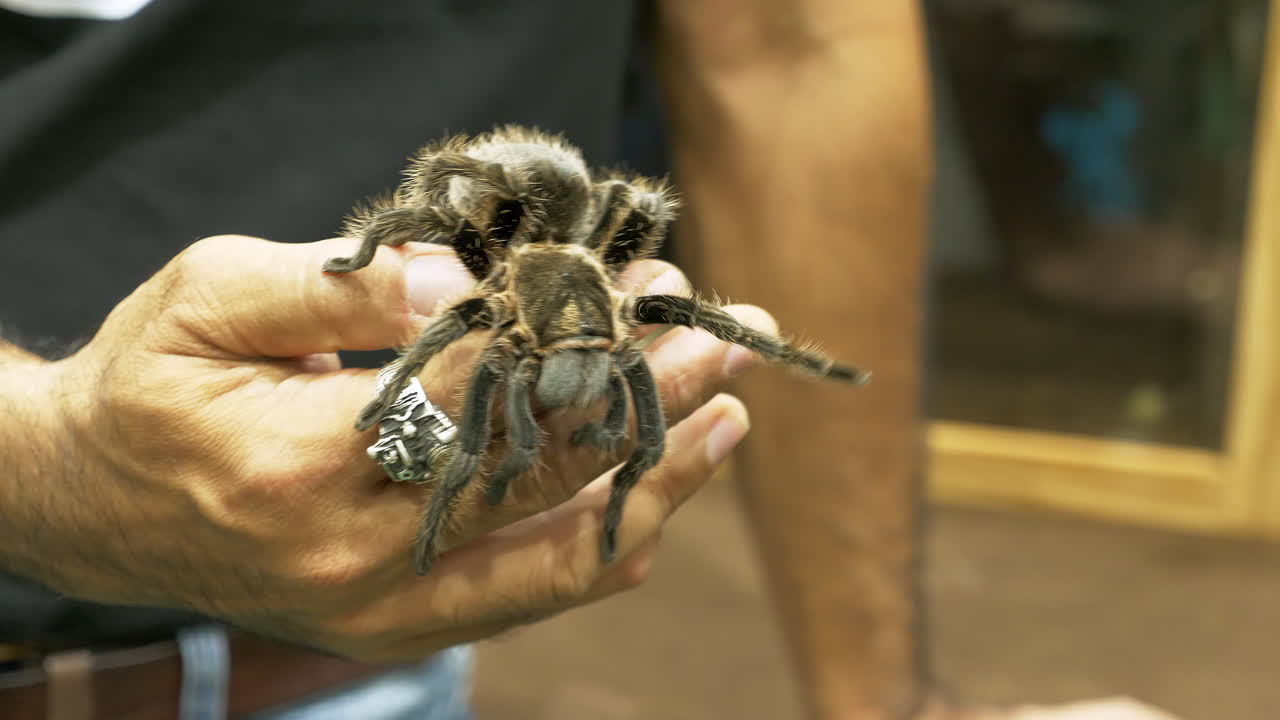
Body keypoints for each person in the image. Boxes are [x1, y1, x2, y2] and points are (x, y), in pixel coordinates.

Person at [0, 1, 1179, 719]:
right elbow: (452, 329)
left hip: (335, 667)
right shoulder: (470, 294)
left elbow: (791, 49)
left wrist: (885, 703)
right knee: (466, 375)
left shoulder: (601, 297)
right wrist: (38, 456)